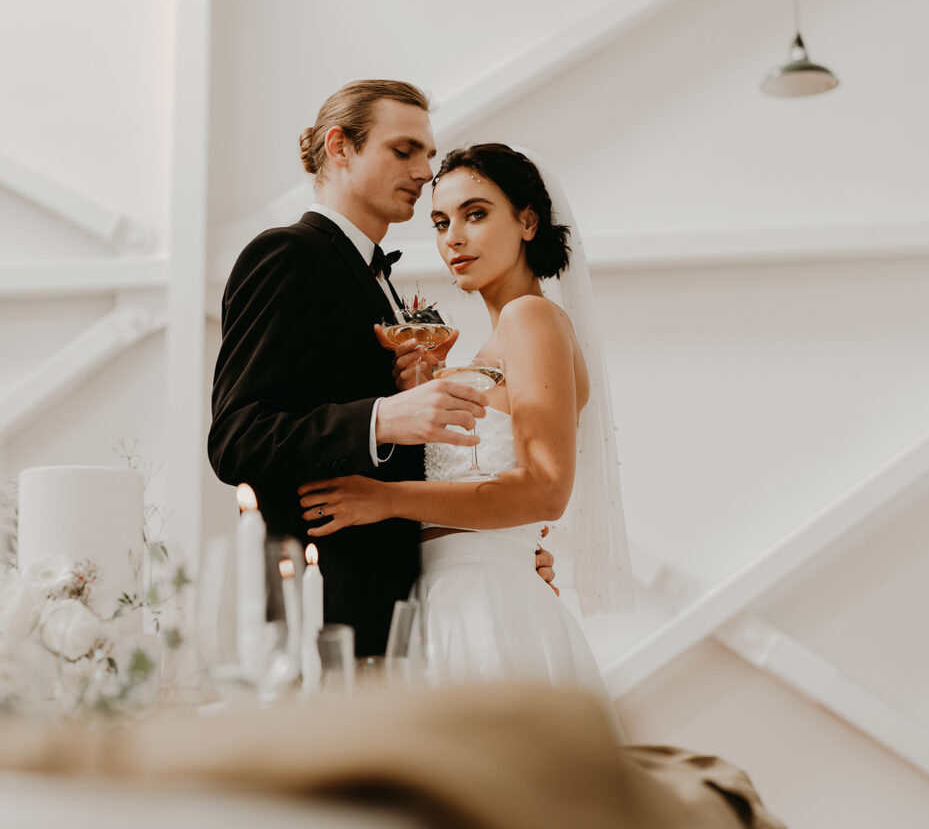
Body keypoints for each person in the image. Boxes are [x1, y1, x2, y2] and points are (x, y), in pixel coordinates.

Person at [208, 83, 557, 657]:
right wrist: (382, 418)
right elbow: (236, 439)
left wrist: (498, 553)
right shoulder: (289, 255)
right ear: (339, 147)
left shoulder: (382, 286)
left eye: (427, 153)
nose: (424, 171)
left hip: (413, 611)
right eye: (404, 150)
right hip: (326, 612)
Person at [297, 143, 637, 691]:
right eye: (440, 222)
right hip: (444, 601)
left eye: (475, 214)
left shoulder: (531, 317)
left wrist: (382, 499)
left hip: (486, 606)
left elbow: (545, 491)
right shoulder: (490, 348)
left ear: (528, 222)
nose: (452, 238)